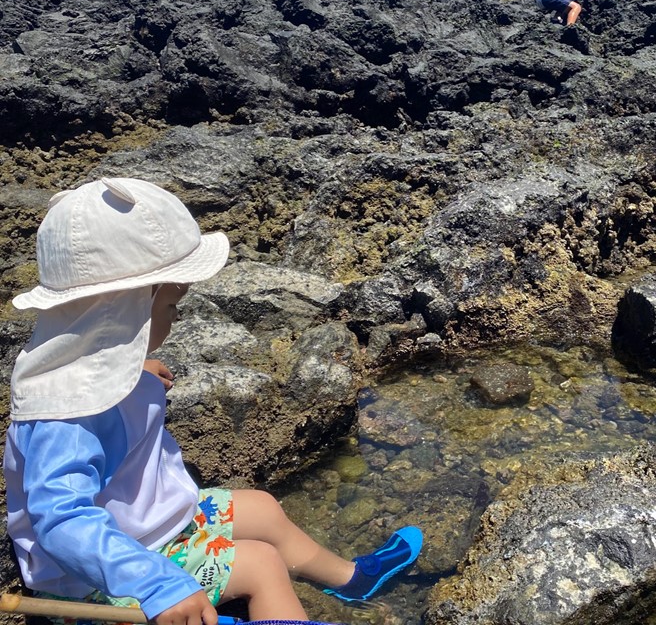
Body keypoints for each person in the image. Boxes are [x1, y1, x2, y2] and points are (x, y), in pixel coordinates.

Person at [4, 178, 423, 625]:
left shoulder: (93, 368)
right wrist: (158, 586)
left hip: (145, 524)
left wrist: (134, 365)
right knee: (261, 564)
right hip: (102, 578)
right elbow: (61, 521)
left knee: (262, 509)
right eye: (171, 306)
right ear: (128, 314)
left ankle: (351, 581)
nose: (177, 315)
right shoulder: (66, 416)